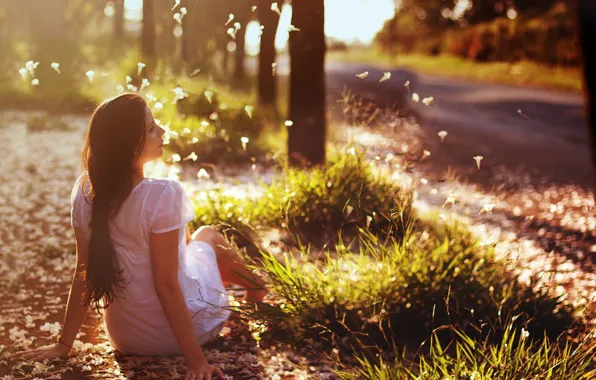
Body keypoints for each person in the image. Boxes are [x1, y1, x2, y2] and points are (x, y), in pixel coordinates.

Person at [14, 93, 267, 380]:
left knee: (188, 244)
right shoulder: (164, 193)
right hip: (182, 335)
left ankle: (253, 285)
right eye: (151, 128)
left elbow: (82, 271)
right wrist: (196, 361)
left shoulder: (86, 191)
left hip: (126, 337)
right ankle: (256, 287)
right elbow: (167, 284)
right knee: (206, 235)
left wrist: (64, 344)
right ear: (128, 144)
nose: (162, 131)